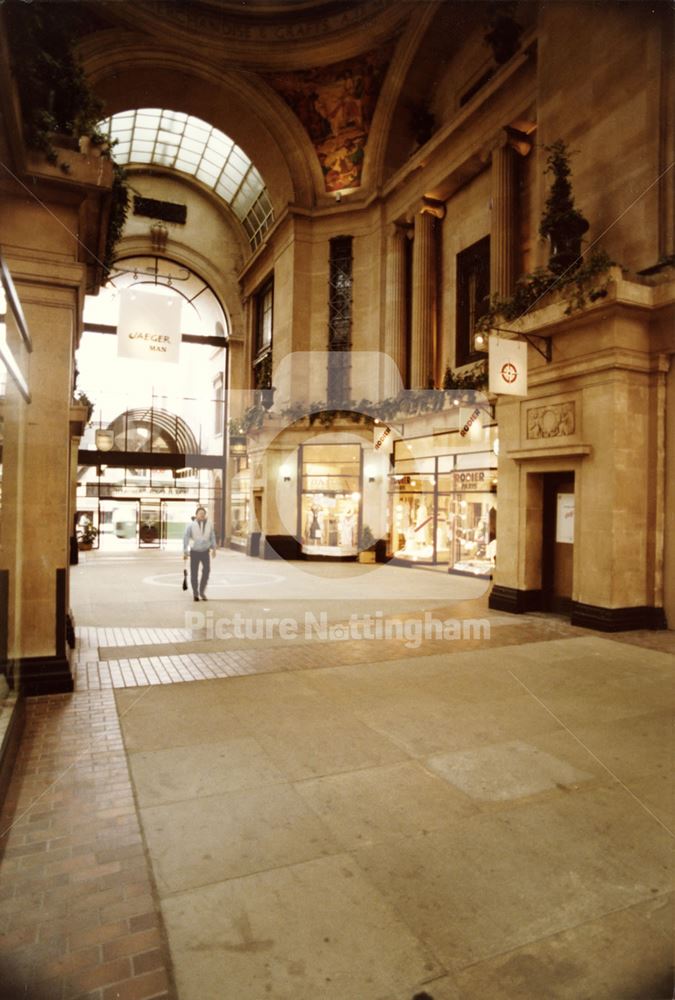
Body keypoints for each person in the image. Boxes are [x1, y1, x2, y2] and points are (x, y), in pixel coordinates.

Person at [183, 506, 216, 601]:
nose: (202, 515)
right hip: (194, 552)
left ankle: (202, 591)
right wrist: (185, 551)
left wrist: (214, 548)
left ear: (205, 515)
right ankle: (195, 593)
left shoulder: (209, 524)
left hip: (205, 552)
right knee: (194, 573)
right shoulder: (190, 525)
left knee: (207, 571)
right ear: (196, 515)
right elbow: (185, 538)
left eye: (203, 513)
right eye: (200, 513)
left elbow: (212, 536)